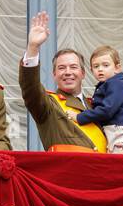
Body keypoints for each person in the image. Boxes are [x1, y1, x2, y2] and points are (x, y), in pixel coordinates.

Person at [18, 11, 110, 153]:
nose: (68, 72)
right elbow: (30, 88)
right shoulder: (49, 105)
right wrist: (33, 48)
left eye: (73, 67)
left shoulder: (97, 105)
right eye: (61, 68)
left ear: (83, 73)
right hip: (68, 173)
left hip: (103, 172)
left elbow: (120, 131)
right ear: (54, 75)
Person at [77, 45, 123, 154]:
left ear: (117, 68)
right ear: (91, 70)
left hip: (118, 132)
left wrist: (79, 117)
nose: (100, 69)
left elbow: (107, 110)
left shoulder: (116, 84)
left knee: (118, 164)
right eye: (96, 66)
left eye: (105, 65)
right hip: (112, 131)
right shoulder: (106, 85)